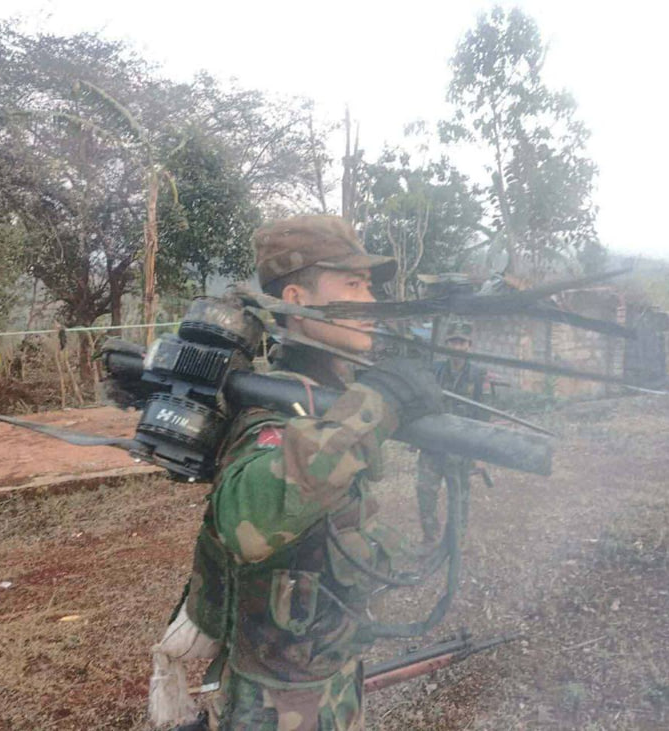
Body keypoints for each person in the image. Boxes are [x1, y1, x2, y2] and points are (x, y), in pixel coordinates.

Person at [149, 215, 444, 730]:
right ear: (297, 299)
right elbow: (249, 523)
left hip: (327, 669)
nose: (370, 302)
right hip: (278, 697)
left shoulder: (328, 395)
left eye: (369, 286)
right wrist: (376, 406)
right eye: (352, 285)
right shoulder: (276, 405)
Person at [414, 320, 487, 546]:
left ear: (469, 346)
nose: (457, 347)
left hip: (460, 446)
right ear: (447, 344)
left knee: (459, 496)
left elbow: (482, 415)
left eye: (461, 342)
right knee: (425, 491)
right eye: (453, 342)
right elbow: (422, 403)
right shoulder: (435, 370)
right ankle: (430, 538)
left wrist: (480, 454)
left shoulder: (477, 374)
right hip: (433, 443)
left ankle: (457, 541)